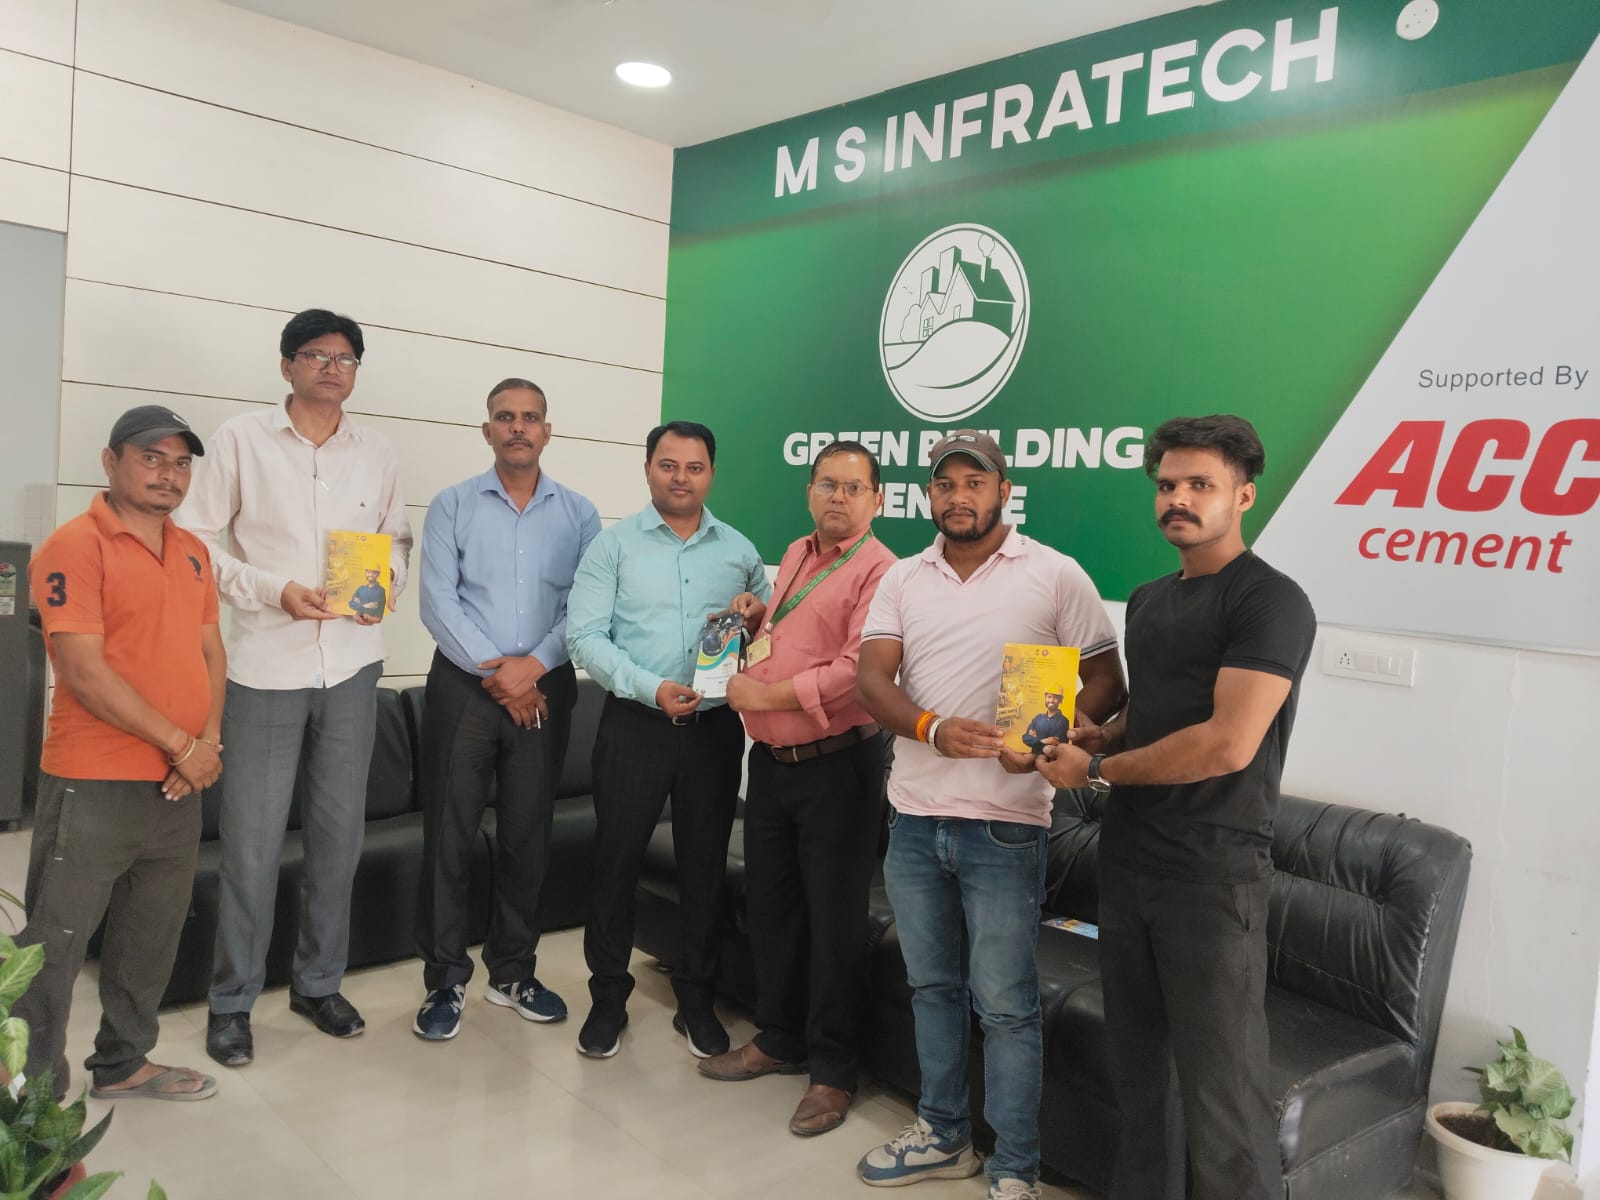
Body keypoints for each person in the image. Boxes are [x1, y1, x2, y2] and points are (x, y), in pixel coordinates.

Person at [1038, 414, 1316, 1200]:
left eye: (1200, 485)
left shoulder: (1271, 601)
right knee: (1140, 1077)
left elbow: (1228, 742)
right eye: (1167, 485)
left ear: (1244, 496)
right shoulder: (1153, 599)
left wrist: (1097, 768)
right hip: (1129, 861)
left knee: (1222, 1095)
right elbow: (1158, 708)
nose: (1178, 500)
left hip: (1212, 872)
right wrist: (1103, 731)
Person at [854, 430, 1126, 1200]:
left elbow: (1108, 682)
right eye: (945, 484)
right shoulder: (904, 577)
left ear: (1004, 490)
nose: (959, 496)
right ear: (929, 495)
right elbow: (873, 681)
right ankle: (943, 1135)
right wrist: (932, 727)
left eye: (974, 482)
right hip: (913, 821)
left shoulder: (1054, 573)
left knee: (1006, 1008)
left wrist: (1047, 737)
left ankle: (1014, 1167)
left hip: (1007, 826)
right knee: (931, 989)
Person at [179, 308, 413, 1068]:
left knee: (338, 840)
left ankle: (318, 984)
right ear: (287, 365)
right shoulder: (240, 440)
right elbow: (194, 544)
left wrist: (385, 584)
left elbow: (396, 539)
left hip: (351, 665)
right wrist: (271, 589)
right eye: (316, 355)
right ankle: (231, 1001)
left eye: (345, 358)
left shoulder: (377, 452)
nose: (331, 368)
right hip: (264, 669)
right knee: (250, 844)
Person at [15, 405, 224, 1103]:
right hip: (94, 779)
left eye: (181, 462)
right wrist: (182, 744)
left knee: (149, 934)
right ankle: (30, 1095)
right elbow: (83, 671)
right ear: (111, 462)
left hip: (177, 784)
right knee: (55, 941)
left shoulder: (193, 550)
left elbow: (211, 650)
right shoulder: (74, 546)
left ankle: (124, 1063)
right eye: (151, 457)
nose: (169, 474)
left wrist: (206, 744)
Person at [697, 440, 898, 1137]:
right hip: (773, 765)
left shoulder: (883, 572)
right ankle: (778, 1036)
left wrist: (765, 693)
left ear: (878, 499)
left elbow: (856, 671)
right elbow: (794, 637)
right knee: (773, 906)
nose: (838, 497)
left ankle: (833, 1071)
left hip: (837, 766)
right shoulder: (796, 553)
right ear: (809, 491)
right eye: (827, 484)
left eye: (853, 487)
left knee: (834, 922)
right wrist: (760, 620)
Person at [566, 420, 770, 1061]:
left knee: (704, 869)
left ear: (712, 473)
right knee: (616, 864)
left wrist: (757, 617)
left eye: (694, 467)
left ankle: (697, 1002)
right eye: (669, 465)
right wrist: (649, 686)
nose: (681, 478)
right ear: (649, 468)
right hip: (636, 724)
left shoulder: (739, 551)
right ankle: (607, 1000)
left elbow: (768, 632)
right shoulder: (613, 546)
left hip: (714, 731)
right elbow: (584, 636)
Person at [412, 378, 600, 1040]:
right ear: (487, 429)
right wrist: (501, 673)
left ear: (548, 430)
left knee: (527, 835)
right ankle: (444, 980)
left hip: (545, 686)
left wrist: (533, 667)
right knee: (449, 835)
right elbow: (437, 600)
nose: (518, 427)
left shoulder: (579, 514)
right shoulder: (452, 505)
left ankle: (513, 972)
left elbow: (586, 605)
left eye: (530, 417)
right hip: (465, 688)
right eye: (505, 417)